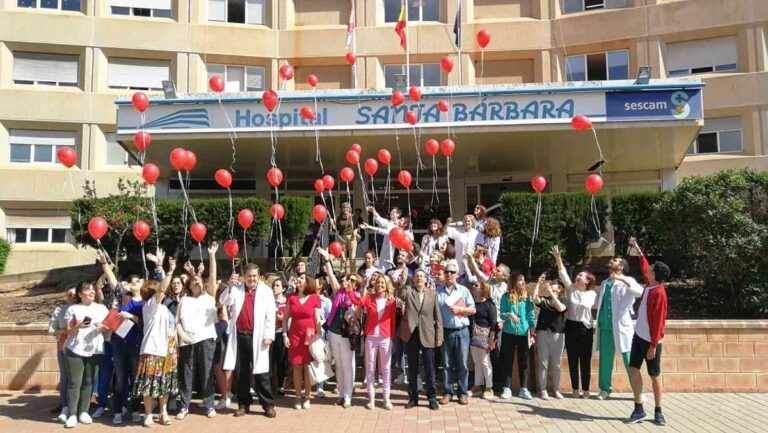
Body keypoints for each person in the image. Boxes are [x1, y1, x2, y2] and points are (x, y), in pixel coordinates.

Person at [221, 264, 277, 418]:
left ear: (258, 276)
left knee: (261, 373)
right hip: (240, 335)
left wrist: (269, 335)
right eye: (249, 276)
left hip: (258, 337)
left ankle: (268, 404)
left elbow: (271, 315)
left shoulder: (266, 291)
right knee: (241, 372)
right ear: (243, 277)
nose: (252, 279)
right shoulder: (237, 289)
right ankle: (243, 404)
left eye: (254, 276)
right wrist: (230, 286)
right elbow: (224, 301)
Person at [626, 237, 669, 426]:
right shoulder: (649, 284)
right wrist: (637, 248)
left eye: (651, 269)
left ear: (656, 275)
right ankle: (639, 408)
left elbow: (659, 322)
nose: (648, 269)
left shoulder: (659, 293)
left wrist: (653, 345)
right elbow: (643, 264)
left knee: (654, 375)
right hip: (639, 336)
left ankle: (658, 411)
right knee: (633, 369)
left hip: (652, 341)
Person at [131, 250, 177, 427]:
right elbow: (163, 287)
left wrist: (160, 266)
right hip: (152, 349)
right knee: (149, 384)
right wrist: (169, 270)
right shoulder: (150, 306)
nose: (162, 291)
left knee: (164, 384)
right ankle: (148, 414)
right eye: (157, 289)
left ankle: (163, 412)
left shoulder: (164, 308)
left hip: (167, 351)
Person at [175, 244, 219, 420]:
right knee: (186, 374)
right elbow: (177, 321)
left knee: (207, 372)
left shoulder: (209, 296)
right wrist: (182, 335)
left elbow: (213, 276)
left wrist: (212, 256)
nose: (196, 281)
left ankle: (209, 405)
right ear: (189, 285)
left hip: (206, 338)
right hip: (187, 341)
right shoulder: (184, 300)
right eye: (193, 280)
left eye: (199, 280)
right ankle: (184, 406)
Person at [595, 251, 644, 401]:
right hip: (605, 327)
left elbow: (639, 292)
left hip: (622, 326)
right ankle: (605, 389)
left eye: (616, 260)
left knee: (629, 359)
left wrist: (621, 279)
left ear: (621, 266)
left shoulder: (628, 280)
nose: (612, 261)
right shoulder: (604, 283)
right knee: (605, 359)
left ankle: (639, 391)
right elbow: (599, 303)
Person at [99, 263, 144, 425]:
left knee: (135, 378)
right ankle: (117, 411)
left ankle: (135, 411)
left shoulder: (144, 303)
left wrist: (131, 316)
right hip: (118, 344)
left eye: (138, 281)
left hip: (135, 345)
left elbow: (144, 324)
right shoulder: (123, 297)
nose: (134, 283)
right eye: (133, 281)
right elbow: (112, 280)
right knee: (119, 379)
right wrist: (104, 264)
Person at [63, 274, 110, 428]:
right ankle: (72, 414)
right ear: (79, 294)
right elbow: (68, 331)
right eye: (87, 289)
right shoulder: (73, 309)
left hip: (95, 349)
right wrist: (78, 327)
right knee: (74, 382)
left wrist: (102, 328)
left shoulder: (102, 308)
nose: (91, 292)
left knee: (88, 382)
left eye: (92, 289)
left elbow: (108, 327)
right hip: (75, 349)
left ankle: (84, 411)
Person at [550, 245, 597, 398]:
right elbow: (563, 273)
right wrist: (558, 258)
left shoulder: (592, 294)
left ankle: (586, 390)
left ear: (588, 280)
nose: (578, 276)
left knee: (585, 360)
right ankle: (575, 389)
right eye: (578, 275)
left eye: (582, 276)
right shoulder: (571, 289)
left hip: (586, 328)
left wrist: (595, 324)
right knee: (572, 359)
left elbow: (594, 310)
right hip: (571, 326)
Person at [348, 273, 397, 410]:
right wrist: (350, 291)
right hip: (371, 337)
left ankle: (386, 398)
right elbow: (357, 302)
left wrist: (391, 338)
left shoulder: (391, 300)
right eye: (378, 283)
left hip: (385, 337)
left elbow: (393, 321)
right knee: (370, 368)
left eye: (383, 283)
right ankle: (371, 397)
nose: (380, 285)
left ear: (387, 285)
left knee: (386, 368)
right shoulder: (369, 298)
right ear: (375, 285)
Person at [396, 268, 443, 410]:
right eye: (417, 276)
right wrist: (403, 280)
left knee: (430, 368)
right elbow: (399, 293)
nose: (419, 278)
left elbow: (438, 317)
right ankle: (413, 397)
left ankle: (432, 398)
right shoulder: (409, 291)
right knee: (412, 367)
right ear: (414, 278)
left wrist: (439, 336)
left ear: (425, 278)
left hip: (428, 334)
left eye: (422, 276)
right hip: (411, 334)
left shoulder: (433, 294)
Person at [318, 249, 359, 408]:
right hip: (334, 332)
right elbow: (331, 275)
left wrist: (353, 315)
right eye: (346, 279)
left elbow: (357, 315)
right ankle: (341, 394)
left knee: (347, 365)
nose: (347, 282)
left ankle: (348, 395)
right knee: (339, 365)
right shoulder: (338, 292)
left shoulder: (356, 297)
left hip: (347, 335)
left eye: (351, 280)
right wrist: (327, 258)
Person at [436, 261, 476, 405]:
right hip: (445, 331)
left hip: (462, 331)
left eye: (452, 272)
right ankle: (447, 392)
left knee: (463, 364)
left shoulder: (464, 290)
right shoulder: (438, 291)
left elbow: (473, 310)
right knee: (447, 364)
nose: (449, 274)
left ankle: (462, 392)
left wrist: (460, 310)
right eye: (447, 272)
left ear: (457, 275)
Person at [283, 273, 321, 411]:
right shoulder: (291, 298)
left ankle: (308, 396)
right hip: (294, 336)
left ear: (307, 282)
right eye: (298, 278)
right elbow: (286, 317)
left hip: (309, 336)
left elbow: (317, 317)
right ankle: (297, 397)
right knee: (297, 366)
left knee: (307, 367)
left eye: (302, 278)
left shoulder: (315, 298)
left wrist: (319, 334)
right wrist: (284, 335)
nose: (298, 280)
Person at [499, 271, 536, 400]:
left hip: (523, 333)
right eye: (520, 280)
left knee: (523, 361)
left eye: (523, 279)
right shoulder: (505, 296)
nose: (523, 282)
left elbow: (531, 315)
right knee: (507, 360)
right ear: (514, 281)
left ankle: (524, 389)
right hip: (508, 333)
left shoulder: (527, 298)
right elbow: (501, 313)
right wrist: (509, 314)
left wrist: (532, 333)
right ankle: (507, 388)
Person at [532, 276, 567, 400]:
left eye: (554, 284)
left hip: (558, 334)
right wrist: (538, 284)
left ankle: (556, 389)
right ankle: (543, 390)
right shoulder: (545, 300)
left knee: (556, 364)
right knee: (543, 363)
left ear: (560, 289)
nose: (551, 284)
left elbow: (561, 308)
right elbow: (535, 299)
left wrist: (552, 293)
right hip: (542, 333)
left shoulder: (563, 300)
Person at [49, 285, 77, 423]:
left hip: (80, 349)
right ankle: (65, 406)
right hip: (63, 348)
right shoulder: (60, 310)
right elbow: (52, 330)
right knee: (65, 377)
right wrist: (67, 331)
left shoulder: (83, 309)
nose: (72, 297)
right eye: (69, 295)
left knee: (78, 379)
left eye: (74, 294)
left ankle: (78, 408)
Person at [468, 280, 497, 400]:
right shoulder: (472, 303)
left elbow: (494, 323)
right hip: (473, 336)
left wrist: (491, 340)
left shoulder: (490, 304)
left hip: (485, 336)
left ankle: (489, 387)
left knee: (485, 361)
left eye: (476, 285)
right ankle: (477, 385)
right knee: (476, 362)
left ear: (483, 288)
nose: (473, 287)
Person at [362, 206, 403, 270]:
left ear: (398, 214)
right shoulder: (389, 223)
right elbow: (379, 220)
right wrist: (373, 211)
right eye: (391, 211)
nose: (391, 212)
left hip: (396, 251)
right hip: (386, 251)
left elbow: (386, 232)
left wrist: (369, 227)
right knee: (383, 269)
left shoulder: (400, 224)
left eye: (394, 212)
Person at [270, 278, 289, 397]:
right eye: (274, 285)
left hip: (282, 333)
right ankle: (271, 386)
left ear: (283, 288)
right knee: (270, 361)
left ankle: (281, 386)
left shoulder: (287, 302)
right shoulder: (269, 301)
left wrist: (284, 319)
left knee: (281, 361)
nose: (275, 288)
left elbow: (291, 317)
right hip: (270, 334)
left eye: (277, 285)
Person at [333, 201, 358, 272]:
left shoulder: (352, 217)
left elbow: (357, 226)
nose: (345, 209)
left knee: (352, 257)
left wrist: (355, 232)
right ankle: (342, 273)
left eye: (346, 207)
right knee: (343, 258)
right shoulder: (339, 218)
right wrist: (332, 224)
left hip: (352, 238)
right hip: (342, 238)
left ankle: (353, 274)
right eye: (343, 207)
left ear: (349, 208)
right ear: (341, 209)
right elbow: (336, 228)